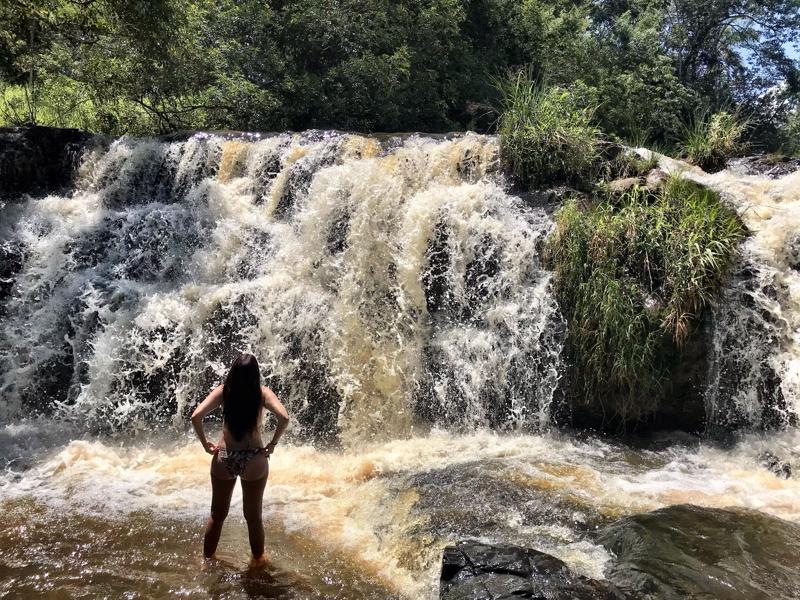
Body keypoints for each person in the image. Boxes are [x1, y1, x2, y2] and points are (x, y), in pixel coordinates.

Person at [191, 352, 290, 566]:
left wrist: (204, 443)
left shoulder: (224, 392)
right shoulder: (262, 394)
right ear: (256, 375)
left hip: (224, 457)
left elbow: (195, 416)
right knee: (253, 518)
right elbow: (284, 417)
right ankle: (258, 561)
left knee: (217, 516)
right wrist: (272, 445)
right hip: (254, 459)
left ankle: (206, 562)